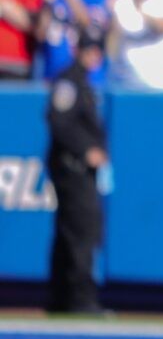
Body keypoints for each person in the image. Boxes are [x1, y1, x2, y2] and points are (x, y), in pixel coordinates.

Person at [45, 32, 107, 314]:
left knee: (71, 233)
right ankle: (79, 300)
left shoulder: (82, 82)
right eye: (89, 49)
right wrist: (85, 150)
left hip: (78, 169)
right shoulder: (70, 80)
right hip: (73, 168)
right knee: (80, 233)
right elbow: (57, 120)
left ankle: (62, 299)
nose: (93, 55)